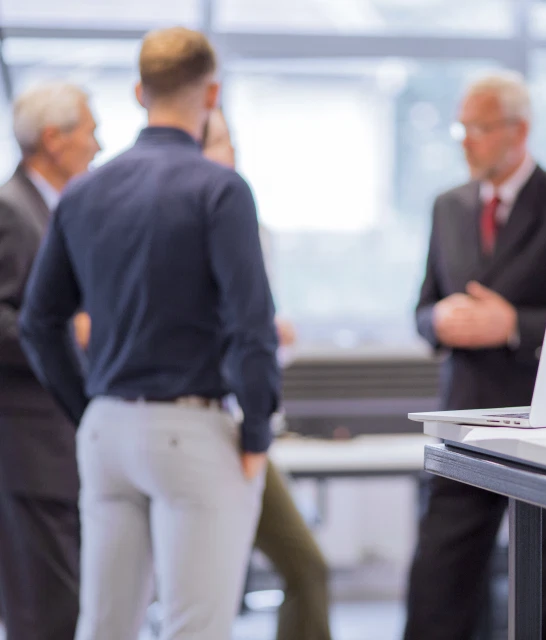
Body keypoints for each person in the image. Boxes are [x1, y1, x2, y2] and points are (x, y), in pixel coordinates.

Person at [18, 27, 281, 640]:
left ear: (140, 93)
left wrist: (87, 407)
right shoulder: (219, 189)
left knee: (104, 626)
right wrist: (258, 431)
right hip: (191, 431)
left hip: (107, 433)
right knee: (195, 628)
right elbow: (251, 326)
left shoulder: (83, 192)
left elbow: (38, 322)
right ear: (211, 94)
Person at [404, 71, 546, 640]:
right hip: (464, 418)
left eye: (479, 128)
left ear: (519, 131)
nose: (465, 141)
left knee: (545, 584)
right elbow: (422, 307)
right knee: (438, 579)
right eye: (461, 128)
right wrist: (438, 321)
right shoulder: (448, 205)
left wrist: (514, 325)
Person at [202, 107, 332, 640]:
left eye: (229, 140)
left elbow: (255, 334)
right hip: (208, 427)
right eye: (215, 141)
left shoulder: (248, 227)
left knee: (304, 569)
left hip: (241, 425)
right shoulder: (169, 225)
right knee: (208, 594)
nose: (228, 153)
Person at [0, 81, 99, 640]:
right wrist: (69, 329)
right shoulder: (12, 210)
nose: (97, 145)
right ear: (55, 140)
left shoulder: (59, 209)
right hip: (28, 446)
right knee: (44, 612)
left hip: (60, 443)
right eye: (90, 131)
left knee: (68, 605)